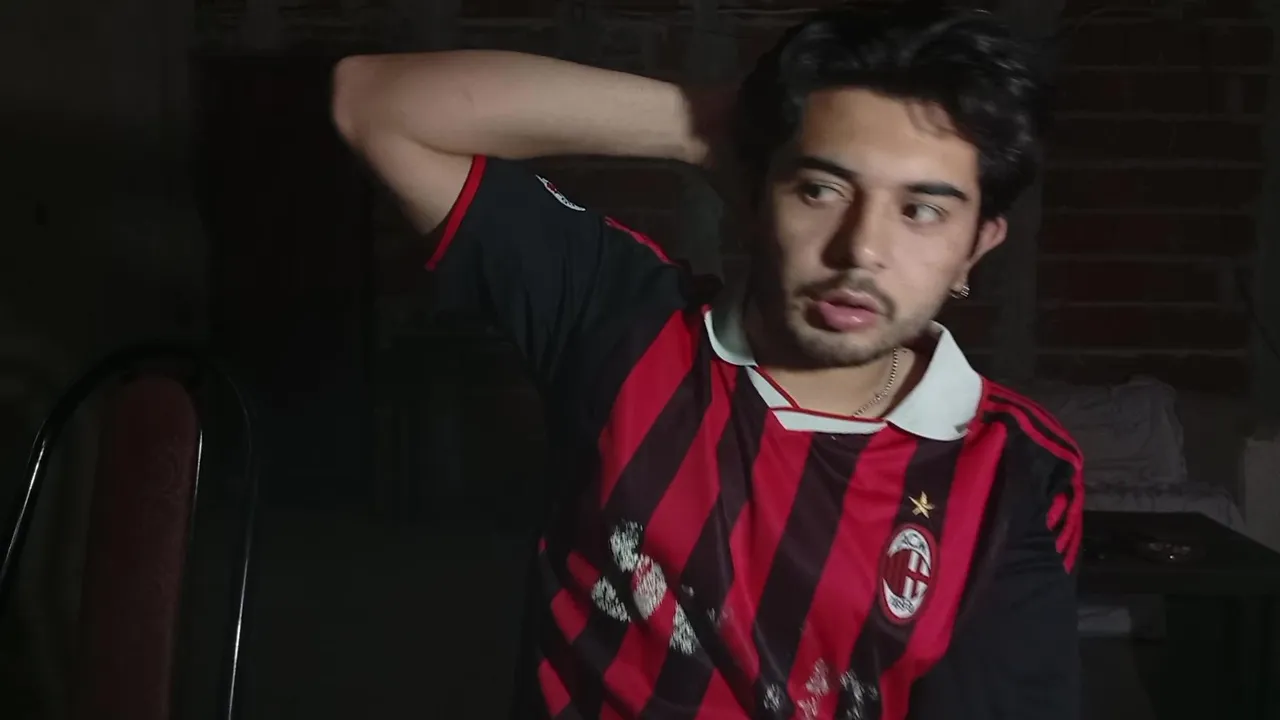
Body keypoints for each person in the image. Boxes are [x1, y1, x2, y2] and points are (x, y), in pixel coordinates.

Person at [332, 4, 1083, 719]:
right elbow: (372, 103)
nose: (861, 249)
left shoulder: (1013, 467)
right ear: (754, 193)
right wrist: (703, 122)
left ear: (976, 246)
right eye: (821, 189)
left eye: (921, 210)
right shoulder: (624, 323)